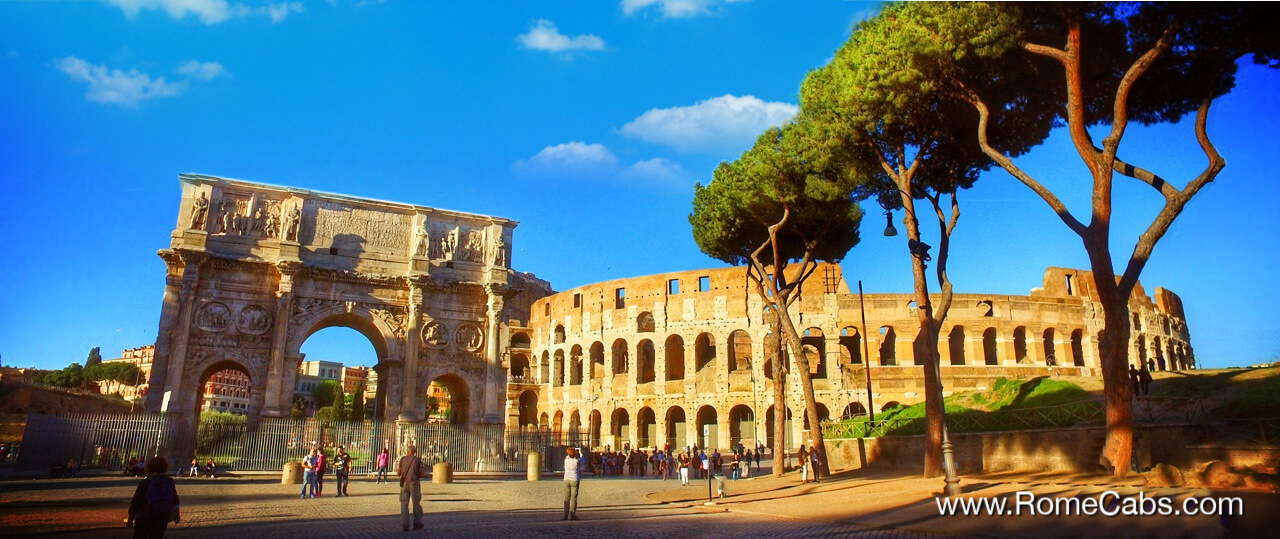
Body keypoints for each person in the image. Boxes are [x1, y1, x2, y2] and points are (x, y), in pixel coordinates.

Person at [127, 456, 180, 539]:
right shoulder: (169, 481)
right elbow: (175, 498)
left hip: (145, 515)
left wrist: (130, 519)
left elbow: (136, 501)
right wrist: (177, 513)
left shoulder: (146, 481)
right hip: (162, 515)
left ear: (149, 468)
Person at [398, 445, 427, 531]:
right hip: (414, 483)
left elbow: (398, 472)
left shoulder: (402, 459)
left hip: (404, 483)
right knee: (416, 504)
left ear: (407, 451)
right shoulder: (417, 460)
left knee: (404, 504)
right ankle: (417, 523)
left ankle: (405, 524)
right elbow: (421, 473)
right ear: (414, 451)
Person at [563, 446, 582, 521]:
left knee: (566, 498)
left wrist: (569, 452)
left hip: (566, 479)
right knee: (573, 498)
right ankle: (572, 514)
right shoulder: (576, 461)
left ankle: (565, 514)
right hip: (574, 479)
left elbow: (568, 455)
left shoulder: (566, 460)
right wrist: (579, 453)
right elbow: (581, 464)